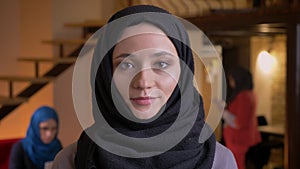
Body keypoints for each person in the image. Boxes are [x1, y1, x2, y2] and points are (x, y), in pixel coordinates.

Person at [52, 5, 237, 169]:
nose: (143, 82)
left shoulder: (219, 162)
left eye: (162, 64)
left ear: (184, 73)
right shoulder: (70, 161)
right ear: (106, 74)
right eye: (126, 65)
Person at [222, 66, 261, 169]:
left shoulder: (243, 96)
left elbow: (239, 122)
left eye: (232, 80)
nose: (231, 83)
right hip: (243, 137)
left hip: (238, 139)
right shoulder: (251, 94)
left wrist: (223, 113)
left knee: (237, 164)